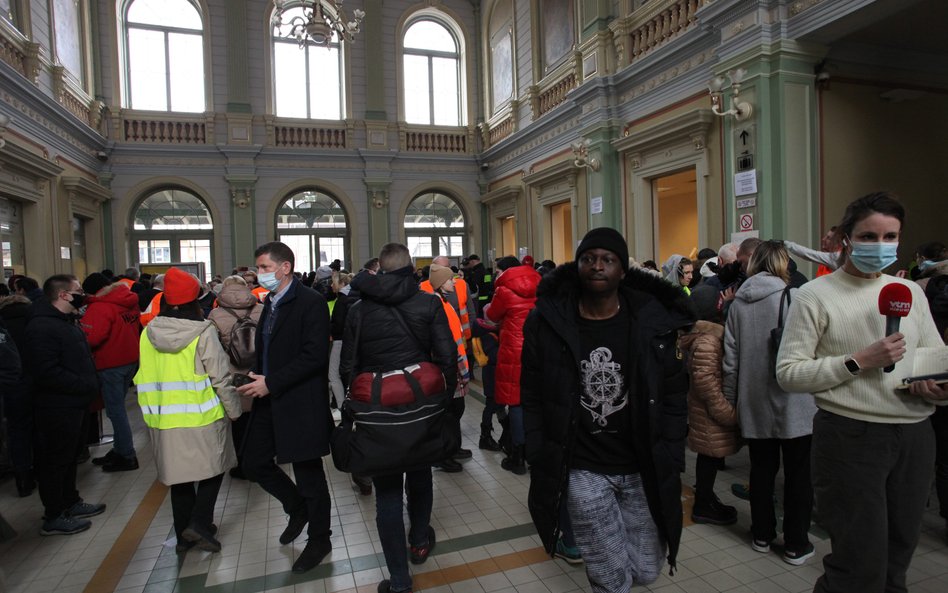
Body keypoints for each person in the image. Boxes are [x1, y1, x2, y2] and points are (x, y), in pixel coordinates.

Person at [776, 192, 948, 593]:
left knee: (897, 556)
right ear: (846, 239)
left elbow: (934, 357)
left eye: (891, 236)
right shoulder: (816, 295)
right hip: (851, 437)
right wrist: (857, 361)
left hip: (915, 434)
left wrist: (938, 388)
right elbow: (789, 374)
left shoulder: (912, 293)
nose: (881, 245)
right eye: (869, 236)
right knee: (858, 564)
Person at [522, 227, 695, 590]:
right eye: (588, 258)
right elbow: (533, 392)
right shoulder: (548, 321)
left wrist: (672, 449)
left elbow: (675, 392)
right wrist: (540, 451)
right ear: (578, 265)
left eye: (607, 260)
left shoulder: (652, 321)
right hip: (583, 466)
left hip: (641, 462)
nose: (597, 266)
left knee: (647, 570)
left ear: (621, 270)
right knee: (609, 575)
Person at [339, 242, 458, 593]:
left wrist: (355, 406)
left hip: (378, 411)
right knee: (420, 473)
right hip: (421, 403)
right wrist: (444, 399)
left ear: (380, 270)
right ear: (410, 268)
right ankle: (420, 539)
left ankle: (400, 579)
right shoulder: (428, 302)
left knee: (387, 492)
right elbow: (447, 355)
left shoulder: (359, 309)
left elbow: (349, 363)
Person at [236, 241, 334, 574]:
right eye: (259, 268)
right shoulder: (270, 302)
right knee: (252, 462)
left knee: (309, 475)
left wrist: (271, 381)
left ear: (285, 268)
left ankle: (320, 539)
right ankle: (296, 508)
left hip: (299, 400)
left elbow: (314, 356)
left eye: (264, 267)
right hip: (270, 396)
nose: (259, 274)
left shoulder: (312, 303)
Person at [134, 267, 242, 553]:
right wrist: (234, 410)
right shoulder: (202, 332)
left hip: (163, 418)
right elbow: (220, 376)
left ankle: (183, 535)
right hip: (202, 415)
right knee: (214, 470)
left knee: (179, 478)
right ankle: (200, 523)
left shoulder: (149, 333)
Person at [723, 241, 817, 564]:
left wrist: (731, 400)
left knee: (761, 472)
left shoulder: (737, 305)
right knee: (798, 475)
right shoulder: (796, 298)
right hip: (795, 402)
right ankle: (796, 543)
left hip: (753, 402)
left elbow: (730, 362)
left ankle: (761, 534)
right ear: (782, 263)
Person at [24, 275, 106, 535]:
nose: (82, 294)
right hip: (57, 405)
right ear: (63, 295)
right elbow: (45, 371)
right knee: (55, 460)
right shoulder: (42, 327)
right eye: (77, 290)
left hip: (75, 403)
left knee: (70, 457)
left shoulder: (66, 322)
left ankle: (70, 501)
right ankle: (54, 514)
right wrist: (82, 384)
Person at [680, 284, 740, 525]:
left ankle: (706, 498)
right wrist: (725, 411)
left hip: (705, 410)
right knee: (709, 455)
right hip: (709, 412)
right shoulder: (708, 340)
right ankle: (704, 506)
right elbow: (706, 381)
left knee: (711, 457)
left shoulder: (703, 335)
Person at [80, 273, 142, 472]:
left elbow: (91, 338)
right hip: (130, 359)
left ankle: (126, 454)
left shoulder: (100, 307)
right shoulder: (128, 301)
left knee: (116, 412)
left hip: (110, 363)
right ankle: (119, 448)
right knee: (118, 409)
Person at [485, 255, 541, 475]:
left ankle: (517, 455)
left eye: (498, 270)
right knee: (534, 400)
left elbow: (491, 315)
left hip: (513, 349)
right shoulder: (539, 282)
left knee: (515, 402)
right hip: (537, 347)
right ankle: (535, 451)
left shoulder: (504, 290)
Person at [207, 275, 263, 481]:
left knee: (238, 421)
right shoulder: (261, 309)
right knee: (261, 418)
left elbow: (212, 349)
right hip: (260, 372)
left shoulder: (215, 314)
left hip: (233, 375)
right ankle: (263, 459)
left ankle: (242, 465)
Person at [423, 263, 471, 472]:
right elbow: (446, 340)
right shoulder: (438, 305)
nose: (454, 282)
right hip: (449, 365)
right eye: (451, 279)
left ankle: (454, 447)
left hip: (455, 363)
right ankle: (444, 454)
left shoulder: (443, 301)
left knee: (456, 409)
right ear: (442, 283)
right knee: (449, 412)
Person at [0, 292, 34, 496]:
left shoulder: (4, 327)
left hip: (12, 387)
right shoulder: (35, 322)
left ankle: (23, 478)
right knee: (39, 429)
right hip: (36, 382)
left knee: (17, 430)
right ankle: (40, 471)